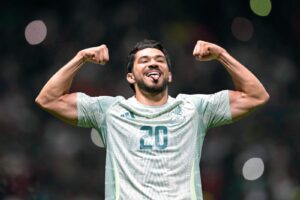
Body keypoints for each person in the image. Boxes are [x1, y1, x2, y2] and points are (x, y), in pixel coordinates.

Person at [35, 39, 269, 200]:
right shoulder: (110, 110)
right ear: (131, 76)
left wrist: (222, 55)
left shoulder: (193, 108)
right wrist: (81, 57)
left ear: (169, 73)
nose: (153, 63)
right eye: (143, 60)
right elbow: (49, 99)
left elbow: (256, 95)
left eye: (159, 59)